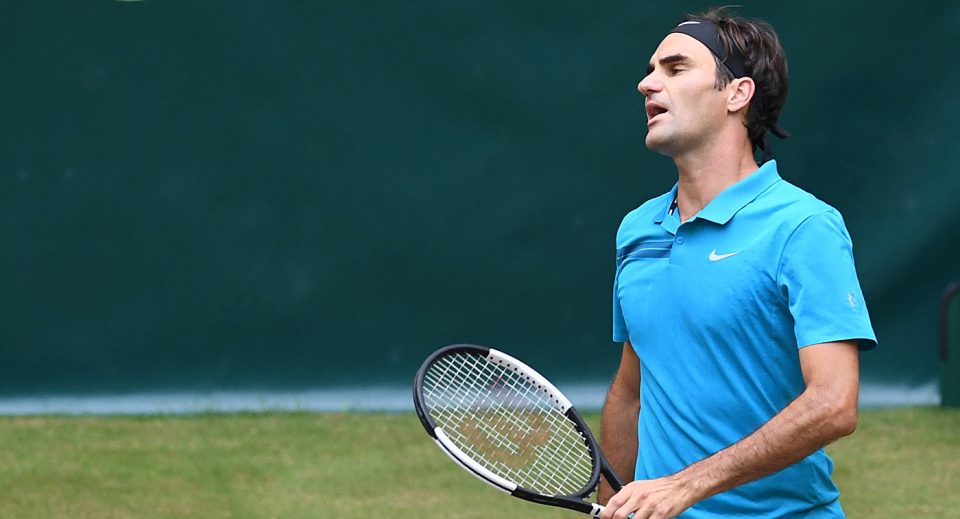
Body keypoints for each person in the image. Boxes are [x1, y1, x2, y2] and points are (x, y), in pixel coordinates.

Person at [599, 8, 877, 519]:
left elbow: (834, 403)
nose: (647, 84)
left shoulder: (803, 226)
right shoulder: (637, 229)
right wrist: (610, 503)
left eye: (675, 68)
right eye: (650, 70)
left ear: (737, 94)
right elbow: (630, 393)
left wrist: (687, 485)